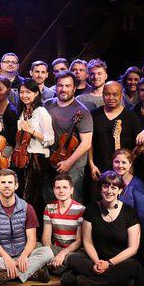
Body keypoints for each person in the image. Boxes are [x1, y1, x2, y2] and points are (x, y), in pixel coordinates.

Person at [61, 171, 141, 286]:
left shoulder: (130, 212)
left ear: (120, 190)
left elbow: (133, 248)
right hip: (95, 259)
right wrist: (97, 262)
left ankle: (78, 280)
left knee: (134, 266)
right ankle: (119, 281)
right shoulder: (91, 210)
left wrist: (108, 263)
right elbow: (87, 242)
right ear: (100, 189)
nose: (109, 191)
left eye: (114, 188)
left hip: (119, 261)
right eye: (105, 186)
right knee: (73, 259)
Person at [0, 169, 53, 284]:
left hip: (24, 254)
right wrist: (7, 258)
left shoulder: (27, 208)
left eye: (10, 182)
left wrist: (24, 256)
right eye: (3, 182)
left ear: (16, 186)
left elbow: (32, 239)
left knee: (48, 252)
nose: (6, 186)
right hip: (2, 256)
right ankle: (30, 273)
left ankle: (5, 275)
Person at [43, 71, 93, 204]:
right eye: (60, 85)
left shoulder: (82, 111)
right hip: (52, 161)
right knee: (50, 200)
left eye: (68, 86)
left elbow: (86, 143)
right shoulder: (47, 105)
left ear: (74, 88)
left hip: (73, 166)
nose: (63, 89)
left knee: (71, 202)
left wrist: (68, 162)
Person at [15, 79, 53, 210]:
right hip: (23, 159)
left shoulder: (41, 112)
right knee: (23, 195)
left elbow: (50, 139)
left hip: (37, 159)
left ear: (36, 93)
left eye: (28, 92)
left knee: (32, 198)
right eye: (21, 92)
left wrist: (31, 131)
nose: (24, 95)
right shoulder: (22, 112)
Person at [90, 81, 138, 179]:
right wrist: (91, 165)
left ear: (121, 95)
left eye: (115, 94)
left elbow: (137, 146)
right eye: (107, 94)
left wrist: (129, 164)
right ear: (102, 94)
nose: (111, 98)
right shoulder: (93, 115)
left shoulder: (131, 117)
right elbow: (88, 143)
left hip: (123, 172)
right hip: (98, 170)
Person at [42, 174, 85, 276]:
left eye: (65, 187)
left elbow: (79, 241)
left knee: (76, 259)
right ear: (54, 190)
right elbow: (46, 237)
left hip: (73, 251)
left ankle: (54, 268)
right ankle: (61, 268)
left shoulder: (81, 209)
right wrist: (49, 253)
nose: (61, 191)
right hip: (55, 249)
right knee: (37, 247)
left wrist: (63, 254)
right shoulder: (49, 208)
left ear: (71, 190)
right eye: (58, 188)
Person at [113, 149, 144, 225]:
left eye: (124, 162)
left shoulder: (138, 185)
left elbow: (142, 215)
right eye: (117, 162)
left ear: (130, 164)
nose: (120, 165)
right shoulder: (109, 182)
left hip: (131, 227)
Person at [0, 77, 18, 148]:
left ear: (8, 90)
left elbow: (13, 139)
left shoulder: (11, 111)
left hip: (7, 150)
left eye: (0, 89)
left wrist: (1, 130)